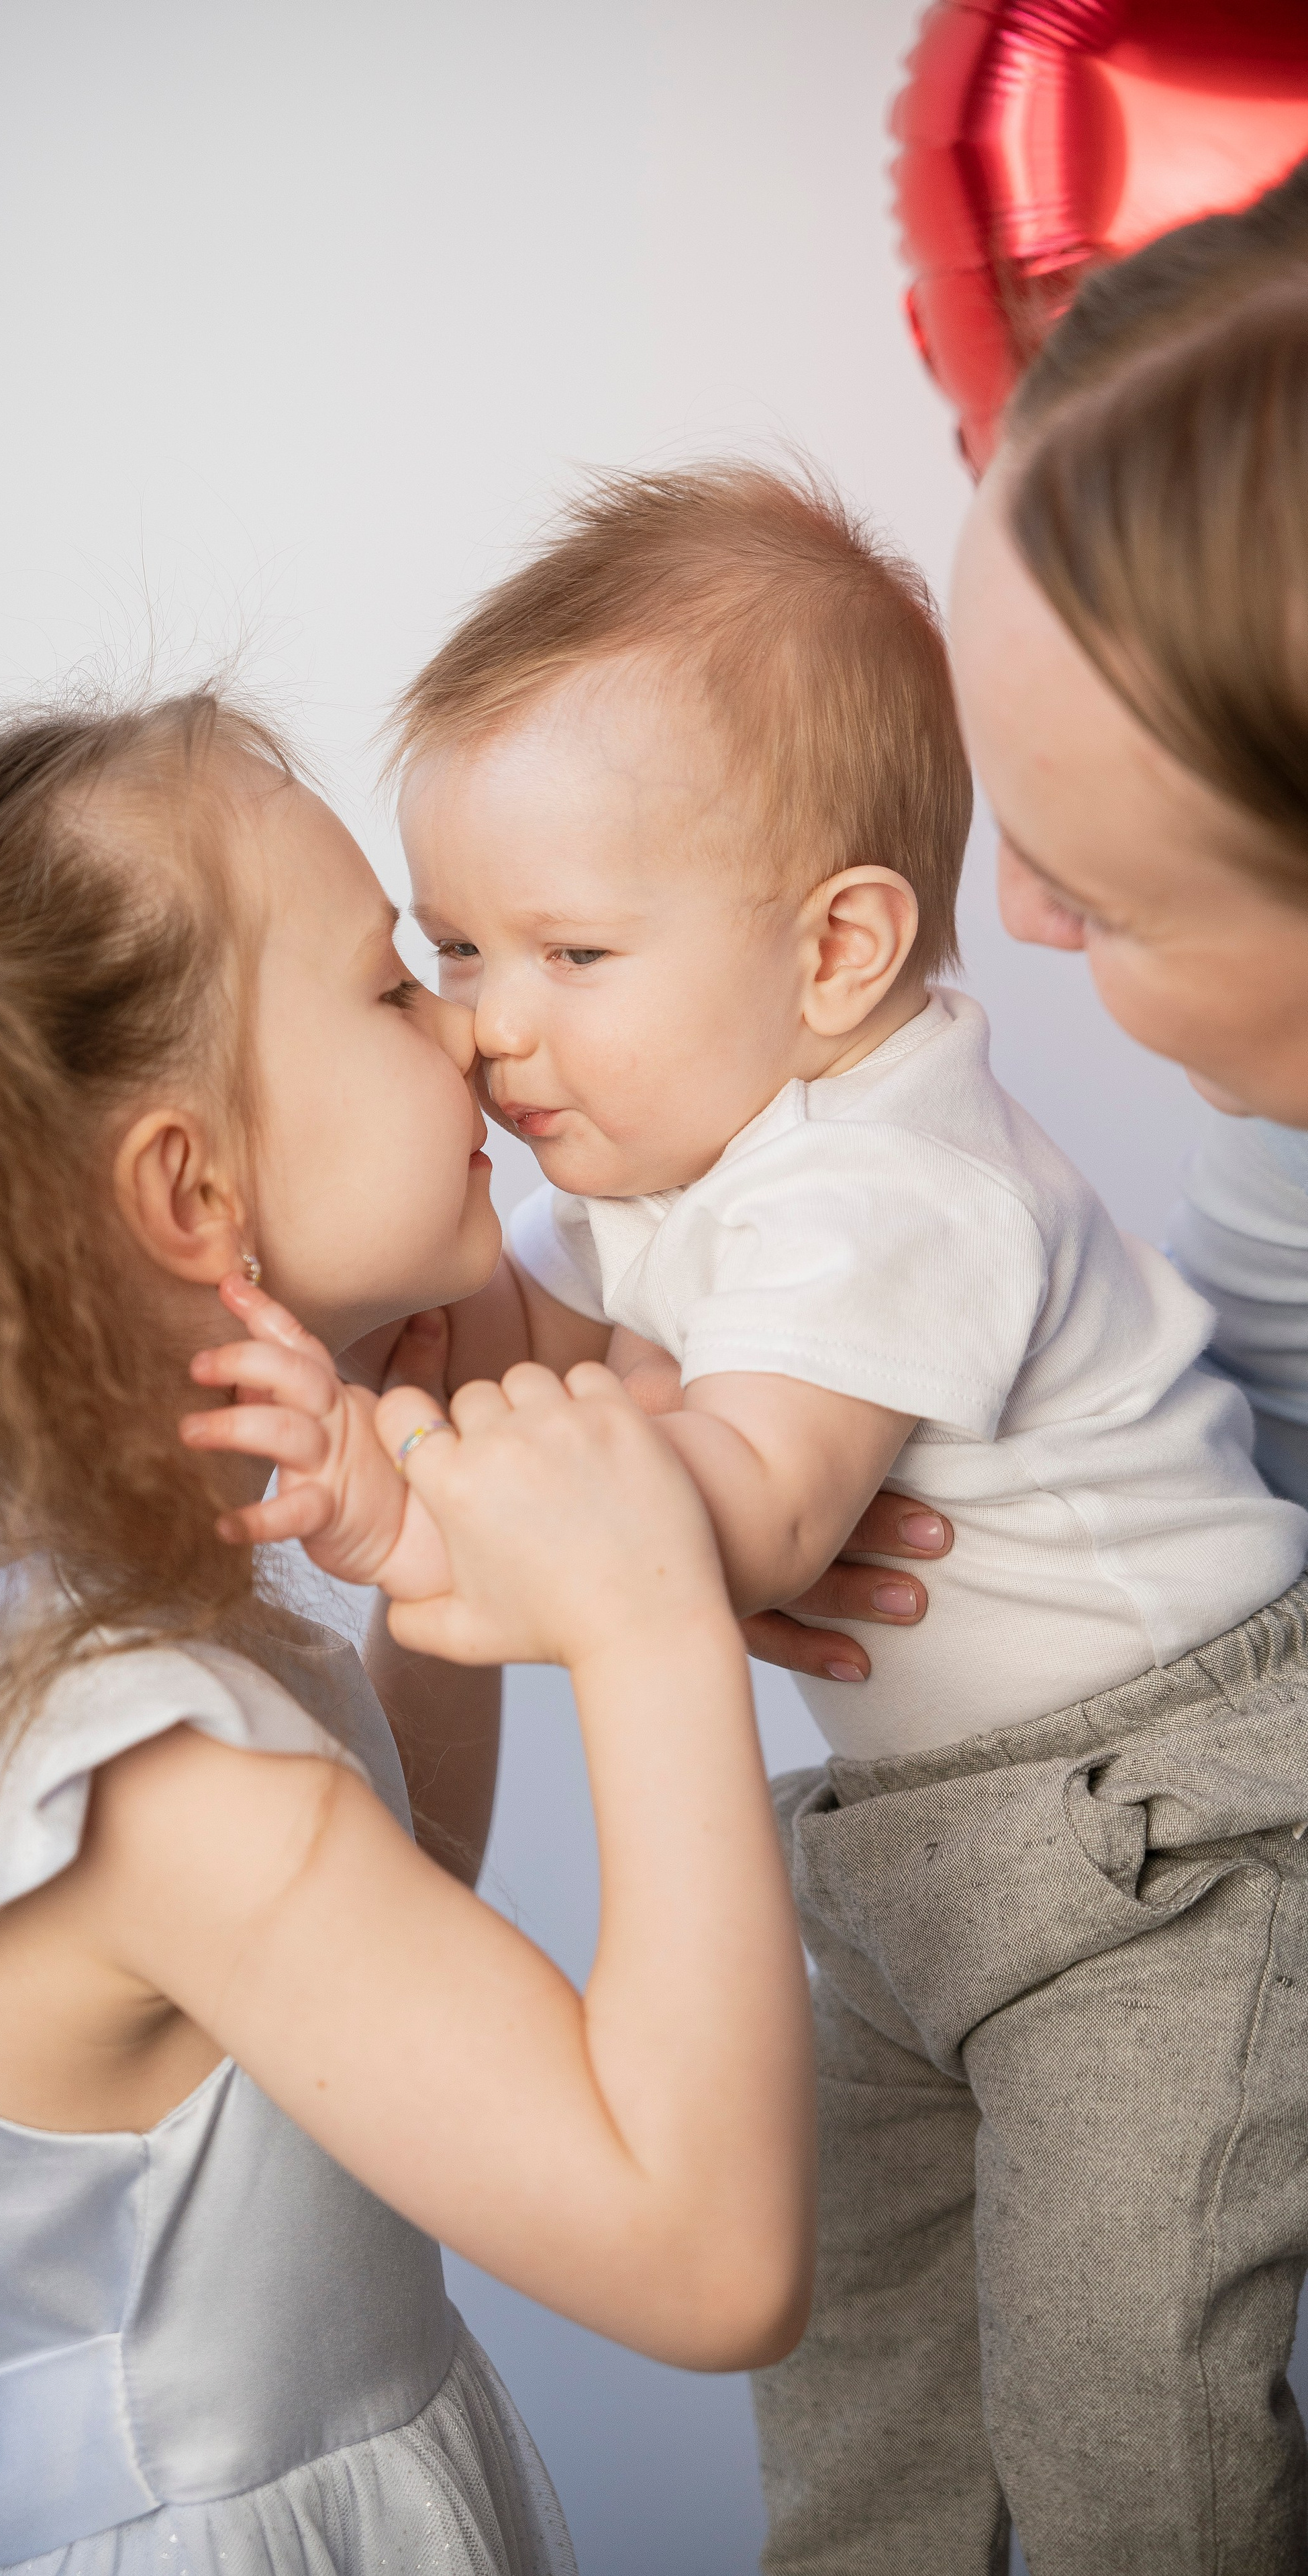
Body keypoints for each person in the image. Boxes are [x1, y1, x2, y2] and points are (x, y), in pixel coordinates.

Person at [0, 696, 814, 2576]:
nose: (471, 1025)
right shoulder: (157, 1790)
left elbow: (361, 1975)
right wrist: (650, 1627)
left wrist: (428, 1552)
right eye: (390, 984)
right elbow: (708, 2258)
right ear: (187, 1192)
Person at [377, 453, 1308, 2576]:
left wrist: (412, 1498)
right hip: (918, 1863)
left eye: (571, 951)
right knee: (862, 2391)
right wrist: (422, 1341)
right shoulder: (684, 1149)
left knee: (1124, 2413)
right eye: (454, 949)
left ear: (837, 951)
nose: (493, 1027)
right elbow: (565, 1373)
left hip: (1163, 1854)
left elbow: (739, 1523)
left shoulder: (893, 1178)